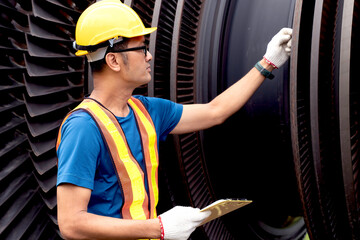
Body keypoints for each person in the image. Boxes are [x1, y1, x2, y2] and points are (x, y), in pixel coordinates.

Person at [56, 0, 292, 239]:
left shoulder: (148, 111)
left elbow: (216, 111)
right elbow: (71, 223)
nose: (148, 56)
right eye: (140, 49)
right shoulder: (83, 128)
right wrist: (158, 227)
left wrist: (267, 63)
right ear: (113, 61)